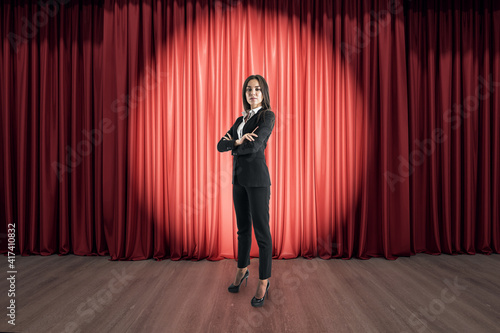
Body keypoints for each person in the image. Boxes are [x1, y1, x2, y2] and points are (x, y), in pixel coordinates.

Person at [217, 74, 275, 307]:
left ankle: (264, 281)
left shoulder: (267, 116)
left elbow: (256, 145)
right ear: (245, 94)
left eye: (257, 90)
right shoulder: (240, 120)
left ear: (263, 94)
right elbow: (220, 145)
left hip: (258, 180)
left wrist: (236, 145)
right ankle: (242, 270)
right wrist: (238, 142)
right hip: (238, 181)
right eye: (249, 89)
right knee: (242, 229)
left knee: (261, 232)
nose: (252, 93)